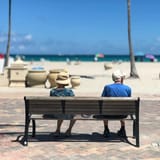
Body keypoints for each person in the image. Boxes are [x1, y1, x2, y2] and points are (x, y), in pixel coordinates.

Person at [101, 70, 131, 138]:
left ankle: (106, 129)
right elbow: (128, 102)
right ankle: (123, 129)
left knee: (104, 108)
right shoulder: (128, 88)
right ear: (121, 78)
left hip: (108, 114)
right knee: (123, 107)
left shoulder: (107, 87)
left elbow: (102, 99)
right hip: (123, 114)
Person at [50, 71, 76, 137]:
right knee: (76, 113)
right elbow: (74, 102)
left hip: (55, 114)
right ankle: (69, 130)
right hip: (67, 113)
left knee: (60, 110)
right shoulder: (69, 92)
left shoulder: (52, 91)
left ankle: (58, 130)